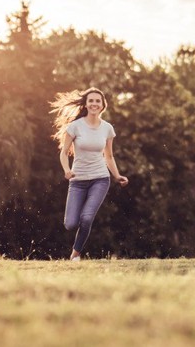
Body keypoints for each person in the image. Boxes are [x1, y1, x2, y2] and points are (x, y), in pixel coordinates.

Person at [51, 87, 129, 261]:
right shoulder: (75, 126)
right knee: (70, 224)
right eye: (91, 101)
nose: (94, 104)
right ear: (86, 104)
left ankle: (75, 254)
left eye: (97, 101)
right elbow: (63, 152)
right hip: (77, 180)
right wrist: (66, 170)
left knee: (86, 219)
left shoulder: (107, 129)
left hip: (100, 179)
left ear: (103, 105)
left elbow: (108, 156)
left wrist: (117, 176)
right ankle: (76, 250)